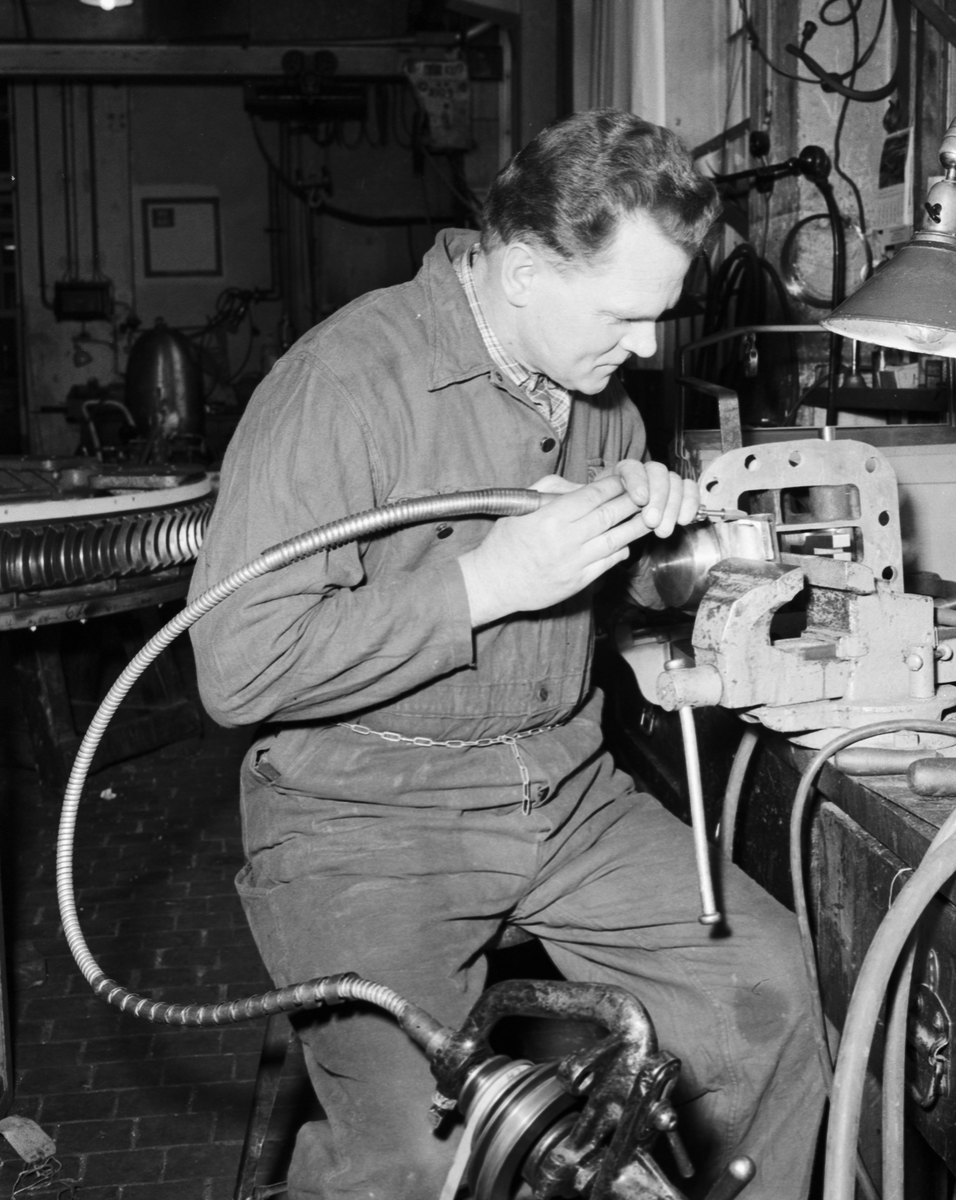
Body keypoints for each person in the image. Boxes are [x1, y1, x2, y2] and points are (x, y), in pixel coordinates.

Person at [189, 108, 822, 1200]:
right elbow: (235, 665)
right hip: (362, 815)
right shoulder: (342, 382)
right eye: (626, 315)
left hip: (562, 792)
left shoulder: (601, 398)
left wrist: (651, 541)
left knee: (769, 995)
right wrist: (488, 582)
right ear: (524, 270)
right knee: (428, 1159)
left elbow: (615, 601)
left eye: (659, 316)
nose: (646, 349)